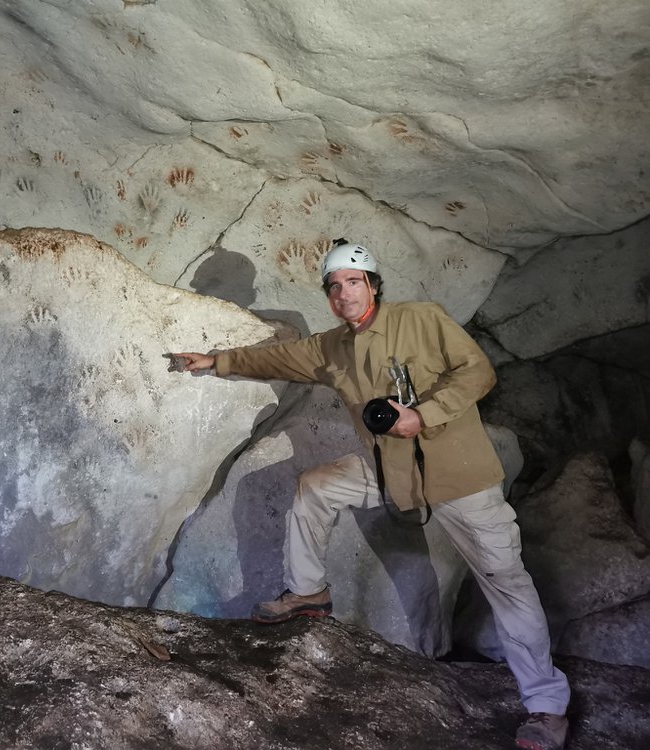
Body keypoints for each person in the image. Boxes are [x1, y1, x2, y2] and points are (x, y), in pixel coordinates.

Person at [173, 241, 570, 750]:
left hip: (458, 477)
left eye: (354, 282)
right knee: (315, 485)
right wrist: (214, 361)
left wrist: (423, 414)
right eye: (334, 287)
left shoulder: (422, 320)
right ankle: (310, 591)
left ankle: (545, 704)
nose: (344, 294)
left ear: (374, 285)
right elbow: (276, 357)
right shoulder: (332, 347)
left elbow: (477, 371)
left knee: (507, 583)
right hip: (390, 473)